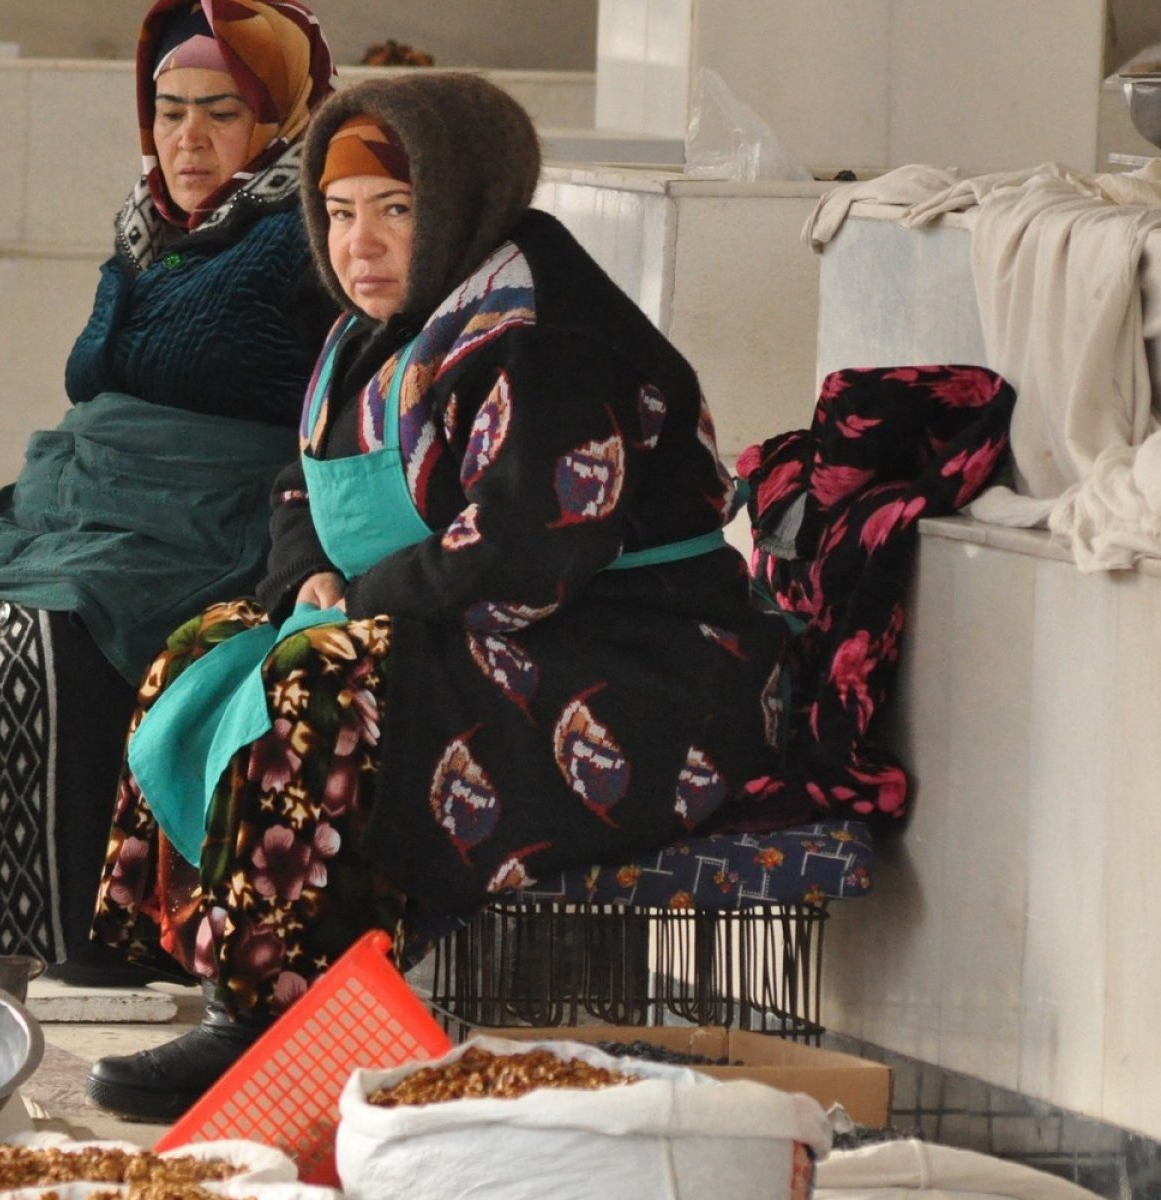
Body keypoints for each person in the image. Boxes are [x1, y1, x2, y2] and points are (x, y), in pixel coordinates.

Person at [85, 73, 796, 1118]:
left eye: (395, 209)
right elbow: (297, 486)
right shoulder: (371, 331)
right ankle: (227, 976)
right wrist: (309, 580)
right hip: (469, 620)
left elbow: (524, 550)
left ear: (461, 201)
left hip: (642, 666)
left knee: (324, 681)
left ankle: (273, 1015)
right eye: (337, 213)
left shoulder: (542, 334)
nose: (357, 245)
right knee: (206, 649)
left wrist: (357, 605)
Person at [0, 0, 338, 981]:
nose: (185, 138)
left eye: (219, 113)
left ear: (276, 118)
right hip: (86, 501)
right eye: (168, 109)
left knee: (48, 631)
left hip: (208, 516)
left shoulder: (305, 236)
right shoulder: (150, 227)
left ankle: (72, 912)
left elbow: (329, 406)